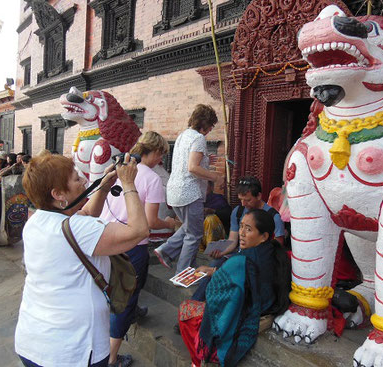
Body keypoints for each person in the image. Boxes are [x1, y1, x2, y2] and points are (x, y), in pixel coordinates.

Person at [14, 153, 149, 367]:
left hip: (33, 340)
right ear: (58, 194)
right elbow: (138, 230)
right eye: (77, 179)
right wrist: (128, 183)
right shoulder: (79, 230)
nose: (84, 181)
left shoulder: (36, 221)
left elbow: (85, 214)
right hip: (73, 350)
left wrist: (104, 186)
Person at [100, 131, 176, 367]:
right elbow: (151, 221)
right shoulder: (152, 179)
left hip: (103, 238)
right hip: (131, 245)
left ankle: (124, 320)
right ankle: (111, 358)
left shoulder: (117, 167)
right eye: (160, 154)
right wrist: (170, 223)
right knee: (125, 299)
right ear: (152, 152)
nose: (160, 160)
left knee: (107, 290)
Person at [178, 209, 291, 367]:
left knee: (186, 309)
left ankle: (198, 360)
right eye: (241, 226)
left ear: (264, 236)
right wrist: (214, 271)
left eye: (249, 229)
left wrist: (214, 274)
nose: (242, 233)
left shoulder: (240, 261)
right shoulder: (273, 252)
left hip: (249, 314)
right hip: (268, 307)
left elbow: (214, 295)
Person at [154, 104, 223, 274]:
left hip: (175, 191)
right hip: (189, 192)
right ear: (205, 123)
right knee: (194, 234)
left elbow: (187, 162)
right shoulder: (198, 138)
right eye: (211, 125)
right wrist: (215, 177)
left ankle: (166, 250)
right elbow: (192, 167)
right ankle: (183, 272)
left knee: (189, 227)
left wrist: (207, 160)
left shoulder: (183, 135)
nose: (210, 129)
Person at [211, 176, 284, 260]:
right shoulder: (238, 212)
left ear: (259, 196)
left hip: (262, 258)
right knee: (215, 264)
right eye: (241, 199)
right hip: (240, 255)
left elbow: (278, 248)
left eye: (248, 200)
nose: (243, 204)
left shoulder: (274, 217)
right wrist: (221, 253)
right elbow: (233, 240)